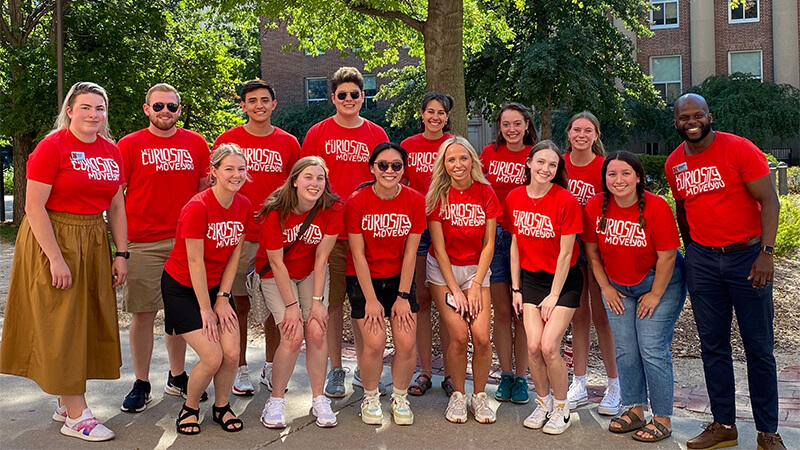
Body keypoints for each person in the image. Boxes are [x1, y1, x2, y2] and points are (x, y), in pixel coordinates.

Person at [0, 82, 126, 441]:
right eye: (85, 107)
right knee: (62, 324)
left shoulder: (111, 151)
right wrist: (55, 258)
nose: (93, 115)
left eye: (99, 109)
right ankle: (76, 415)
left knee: (84, 322)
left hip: (92, 237)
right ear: (69, 110)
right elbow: (33, 206)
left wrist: (122, 252)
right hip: (53, 237)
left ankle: (63, 399)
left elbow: (116, 206)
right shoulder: (52, 147)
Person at [666, 94, 786, 450]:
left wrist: (766, 253)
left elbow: (770, 201)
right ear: (676, 122)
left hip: (747, 258)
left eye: (698, 114)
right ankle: (724, 425)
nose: (692, 121)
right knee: (713, 347)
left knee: (759, 348)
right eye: (684, 116)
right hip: (704, 262)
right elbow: (684, 210)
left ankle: (767, 432)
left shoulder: (738, 149)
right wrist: (694, 252)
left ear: (708, 116)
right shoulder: (675, 163)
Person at [117, 83, 211, 412]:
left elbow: (204, 194)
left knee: (179, 315)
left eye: (171, 107)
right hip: (143, 241)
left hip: (186, 242)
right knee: (143, 315)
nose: (165, 112)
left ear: (179, 111)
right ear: (147, 109)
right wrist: (120, 248)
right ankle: (141, 382)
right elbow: (116, 198)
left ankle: (177, 376)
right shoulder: (129, 145)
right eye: (158, 107)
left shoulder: (197, 144)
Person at [583, 151, 686, 443]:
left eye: (626, 173)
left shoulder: (655, 207)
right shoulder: (595, 206)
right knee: (626, 350)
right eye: (612, 174)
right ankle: (635, 409)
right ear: (604, 179)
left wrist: (655, 294)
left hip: (659, 281)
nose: (619, 180)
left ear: (638, 176)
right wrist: (605, 287)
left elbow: (667, 256)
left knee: (651, 348)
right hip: (617, 286)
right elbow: (592, 252)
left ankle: (662, 417)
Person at [300, 66, 390, 398]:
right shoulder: (317, 133)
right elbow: (306, 181)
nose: (349, 99)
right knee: (333, 303)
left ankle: (369, 367)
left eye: (355, 94)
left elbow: (387, 178)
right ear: (333, 98)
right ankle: (336, 369)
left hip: (369, 234)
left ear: (363, 97)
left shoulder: (377, 134)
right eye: (342, 95)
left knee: (367, 302)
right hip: (330, 234)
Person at [213, 80, 300, 396]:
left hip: (275, 236)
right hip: (237, 236)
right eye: (252, 100)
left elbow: (296, 188)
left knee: (276, 306)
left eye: (265, 100)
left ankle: (271, 366)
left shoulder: (289, 142)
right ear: (243, 105)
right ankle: (239, 368)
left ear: (274, 104)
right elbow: (214, 185)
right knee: (238, 304)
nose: (259, 105)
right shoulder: (228, 140)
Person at [161, 144, 251, 435]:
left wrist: (223, 298)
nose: (236, 175)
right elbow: (195, 261)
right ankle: (190, 407)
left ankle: (222, 407)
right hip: (183, 288)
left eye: (241, 169)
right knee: (213, 356)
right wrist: (205, 309)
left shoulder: (244, 205)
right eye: (229, 168)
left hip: (216, 287)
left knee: (232, 353)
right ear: (213, 172)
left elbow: (234, 255)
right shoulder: (197, 207)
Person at [257, 157, 342, 429]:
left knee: (317, 329)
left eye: (320, 178)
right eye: (308, 177)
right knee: (292, 334)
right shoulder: (275, 212)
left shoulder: (332, 209)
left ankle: (319, 399)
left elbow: (321, 258)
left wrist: (317, 303)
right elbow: (276, 263)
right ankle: (276, 399)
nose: (314, 184)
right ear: (294, 180)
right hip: (276, 274)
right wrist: (292, 306)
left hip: (310, 272)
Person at [345, 143, 426, 425]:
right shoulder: (357, 201)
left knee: (405, 342)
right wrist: (371, 299)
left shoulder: (415, 200)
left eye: (396, 165)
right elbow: (357, 254)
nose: (389, 170)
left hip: (398, 278)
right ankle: (370, 396)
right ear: (372, 168)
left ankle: (400, 396)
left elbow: (411, 252)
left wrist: (402, 296)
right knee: (375, 343)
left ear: (404, 170)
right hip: (364, 278)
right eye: (383, 165)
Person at [508, 140, 582, 435]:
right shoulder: (515, 197)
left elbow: (566, 253)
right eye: (540, 162)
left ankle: (562, 407)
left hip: (563, 282)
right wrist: (516, 288)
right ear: (529, 163)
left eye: (553, 165)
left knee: (550, 347)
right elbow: (515, 244)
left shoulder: (565, 200)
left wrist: (554, 295)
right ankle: (543, 402)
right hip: (531, 280)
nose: (546, 169)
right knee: (533, 347)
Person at [426, 136, 501, 424]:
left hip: (476, 270)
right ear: (444, 165)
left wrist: (476, 286)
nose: (458, 164)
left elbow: (489, 244)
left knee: (481, 337)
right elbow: (439, 248)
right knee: (458, 335)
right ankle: (458, 395)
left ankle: (479, 397)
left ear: (472, 160)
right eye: (451, 160)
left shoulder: (486, 192)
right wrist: (456, 291)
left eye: (463, 158)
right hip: (443, 273)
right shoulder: (436, 196)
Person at [480, 102, 538, 404]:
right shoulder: (489, 154)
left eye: (517, 123)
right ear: (499, 127)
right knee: (502, 313)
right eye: (506, 124)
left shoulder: (536, 156)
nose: (511, 129)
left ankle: (522, 377)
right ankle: (505, 375)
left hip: (527, 238)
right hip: (495, 237)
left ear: (527, 124)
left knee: (523, 314)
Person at [563, 111, 620, 415]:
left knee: (603, 318)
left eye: (588, 130)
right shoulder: (559, 163)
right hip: (568, 248)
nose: (582, 135)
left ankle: (614, 384)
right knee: (578, 317)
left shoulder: (605, 167)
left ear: (596, 135)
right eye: (576, 130)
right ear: (568, 133)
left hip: (598, 247)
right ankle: (579, 383)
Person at [401, 92, 454, 397]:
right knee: (420, 298)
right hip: (417, 229)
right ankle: (424, 371)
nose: (435, 117)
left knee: (448, 302)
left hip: (448, 228)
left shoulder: (455, 145)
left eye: (441, 113)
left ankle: (450, 370)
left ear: (448, 117)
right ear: (421, 114)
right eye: (430, 112)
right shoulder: (408, 146)